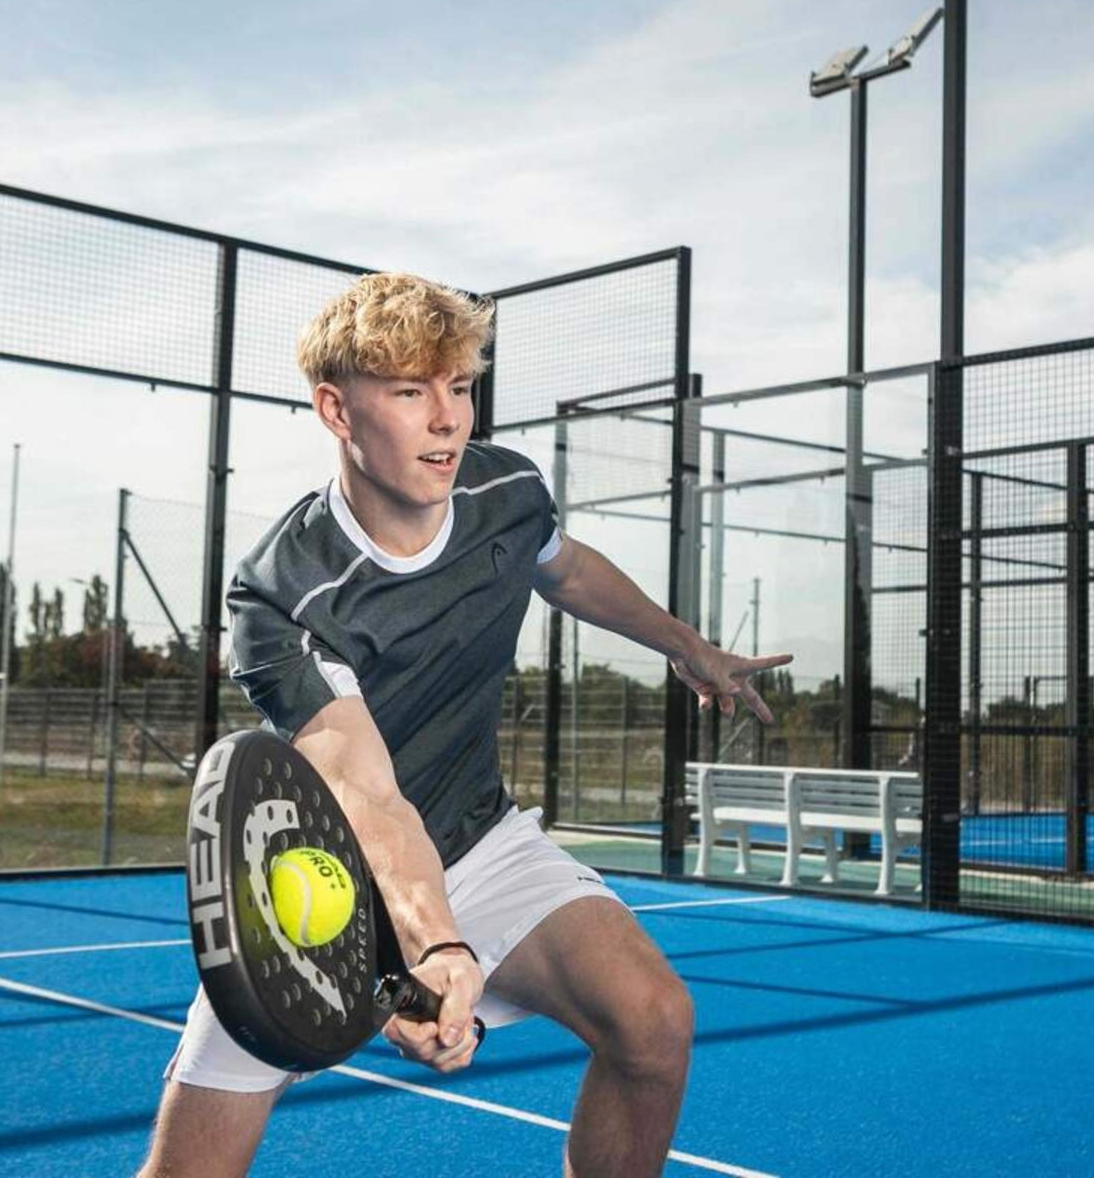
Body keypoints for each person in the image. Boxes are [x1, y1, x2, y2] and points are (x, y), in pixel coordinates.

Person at [139, 272, 792, 1178]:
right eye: (411, 391)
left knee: (653, 1021)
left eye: (461, 386)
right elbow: (366, 790)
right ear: (337, 408)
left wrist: (686, 645)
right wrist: (436, 943)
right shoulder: (283, 595)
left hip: (482, 841)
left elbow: (562, 569)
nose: (448, 418)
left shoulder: (507, 490)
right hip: (328, 885)